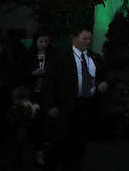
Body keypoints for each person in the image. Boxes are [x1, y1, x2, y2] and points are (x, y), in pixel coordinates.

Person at [40, 27, 108, 171]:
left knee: (80, 144)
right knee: (59, 143)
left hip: (87, 106)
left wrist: (103, 82)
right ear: (74, 38)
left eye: (90, 39)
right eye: (85, 38)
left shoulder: (94, 57)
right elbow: (49, 84)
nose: (88, 42)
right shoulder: (60, 58)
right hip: (66, 107)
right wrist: (50, 105)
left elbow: (103, 74)